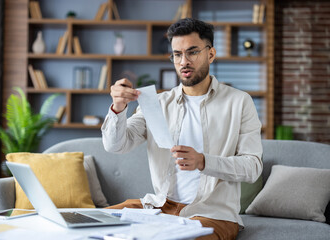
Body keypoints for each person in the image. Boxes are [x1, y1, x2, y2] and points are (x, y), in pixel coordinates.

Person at [101, 18, 263, 240]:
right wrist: (118, 109)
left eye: (192, 52)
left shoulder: (239, 102)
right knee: (93, 224)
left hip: (212, 215)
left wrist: (204, 162)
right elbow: (115, 145)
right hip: (158, 207)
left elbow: (253, 167)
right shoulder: (156, 103)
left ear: (211, 54)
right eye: (177, 54)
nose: (183, 61)